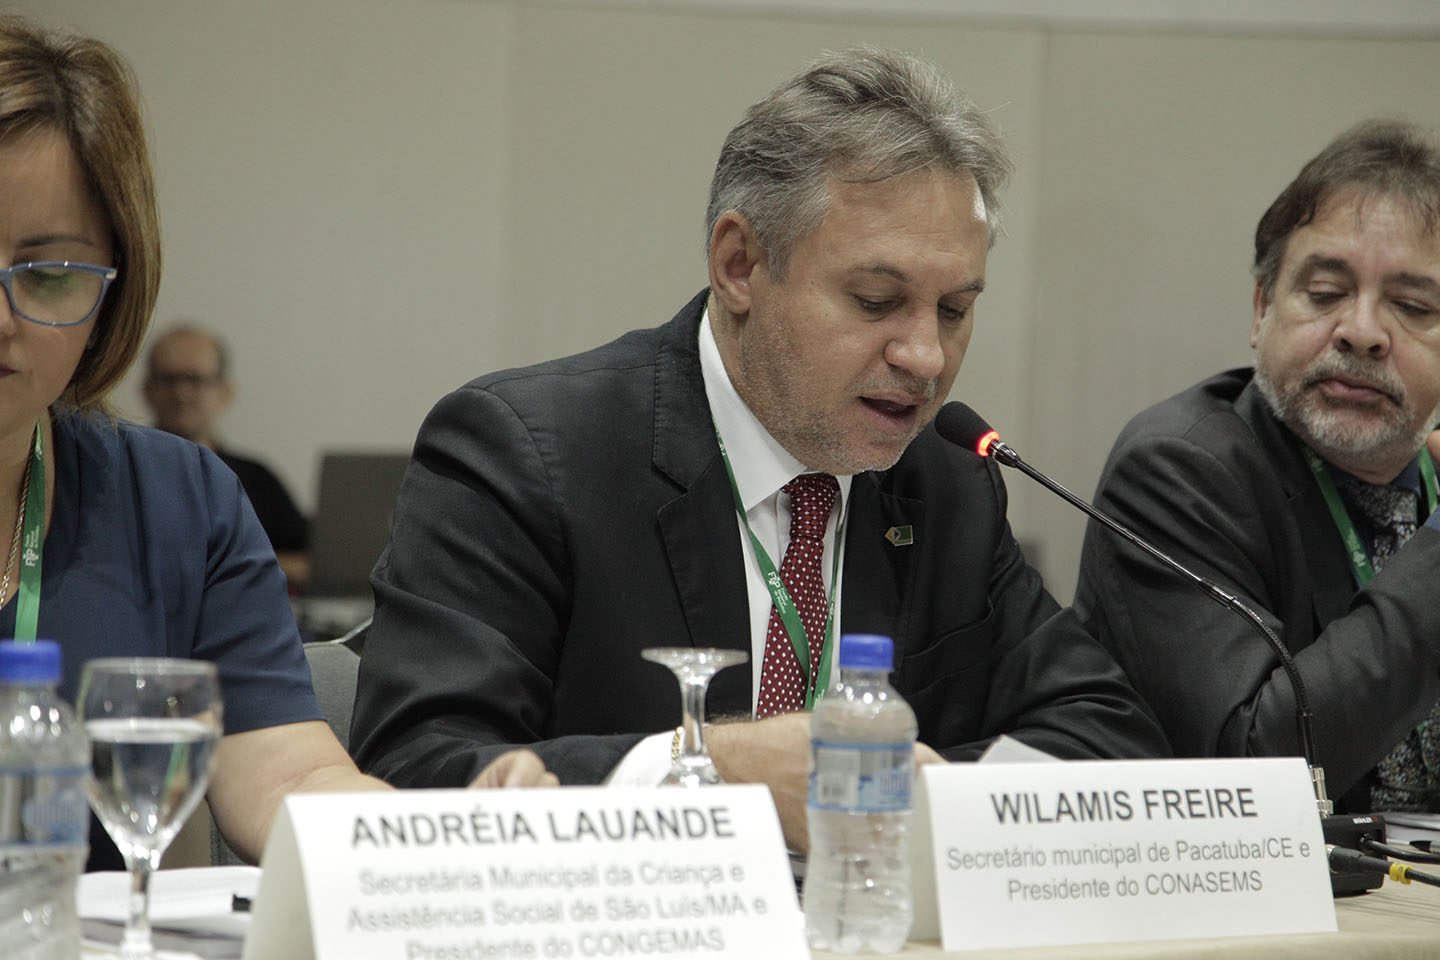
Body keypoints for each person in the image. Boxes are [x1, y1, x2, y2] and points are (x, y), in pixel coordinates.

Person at [351, 46, 1168, 851]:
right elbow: (416, 769)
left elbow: (1105, 734)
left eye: (954, 310)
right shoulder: (529, 452)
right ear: (740, 265)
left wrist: (891, 799)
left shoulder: (946, 480)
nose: (925, 357)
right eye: (876, 300)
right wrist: (708, 773)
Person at [0, 14, 552, 871]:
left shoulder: (179, 503)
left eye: (47, 274)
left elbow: (291, 776)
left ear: (111, 292)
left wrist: (444, 836)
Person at [1074, 119, 1440, 814]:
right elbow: (1253, 771)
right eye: (1325, 292)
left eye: (1413, 306)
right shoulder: (1178, 471)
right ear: (1261, 309)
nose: (1362, 332)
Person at [144, 324, 312, 587]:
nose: (181, 393)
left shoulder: (258, 479)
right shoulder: (118, 474)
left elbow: (310, 563)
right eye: (167, 379)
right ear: (146, 390)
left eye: (195, 380)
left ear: (225, 392)